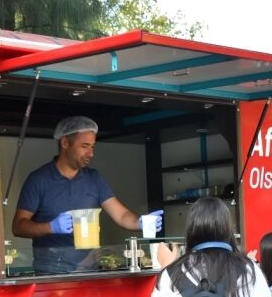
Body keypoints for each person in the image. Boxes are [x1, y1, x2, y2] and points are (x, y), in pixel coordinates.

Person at [13, 116, 163, 275]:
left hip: (88, 271)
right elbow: (18, 226)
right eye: (84, 146)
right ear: (65, 143)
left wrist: (139, 223)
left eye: (92, 146)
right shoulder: (38, 180)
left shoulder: (94, 178)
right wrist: (50, 227)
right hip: (50, 274)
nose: (90, 153)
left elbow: (121, 214)